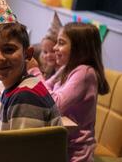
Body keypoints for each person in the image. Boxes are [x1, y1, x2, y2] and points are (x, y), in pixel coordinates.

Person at [0, 0, 62, 130]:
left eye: (9, 49)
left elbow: (23, 152)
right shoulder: (18, 88)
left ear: (28, 54)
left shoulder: (25, 97)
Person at [28, 22, 109, 162]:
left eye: (61, 43)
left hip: (74, 153)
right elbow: (47, 86)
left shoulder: (84, 73)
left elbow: (55, 104)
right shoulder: (67, 68)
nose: (55, 48)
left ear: (79, 48)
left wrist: (35, 72)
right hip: (59, 143)